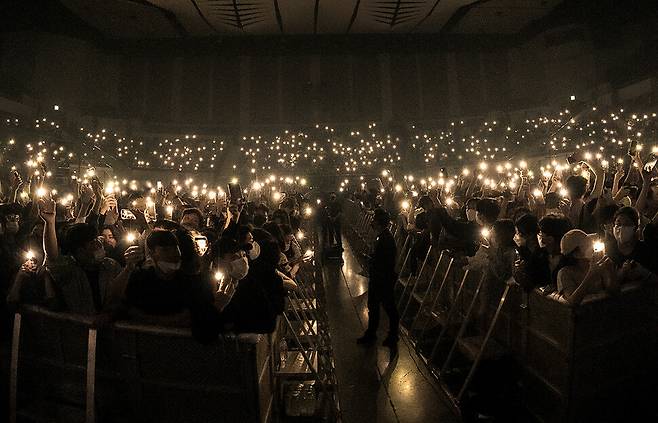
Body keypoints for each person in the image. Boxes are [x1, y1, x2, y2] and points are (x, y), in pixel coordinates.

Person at [123, 230, 221, 343]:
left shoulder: (192, 283)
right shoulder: (140, 279)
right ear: (151, 253)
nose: (172, 255)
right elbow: (126, 309)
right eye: (165, 250)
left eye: (175, 248)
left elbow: (198, 320)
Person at [39, 197, 126, 314]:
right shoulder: (69, 270)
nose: (99, 244)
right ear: (80, 251)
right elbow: (52, 257)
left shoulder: (111, 266)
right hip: (78, 328)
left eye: (97, 240)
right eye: (92, 243)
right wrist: (49, 223)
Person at [357, 208, 399, 348]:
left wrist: (370, 260)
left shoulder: (386, 239)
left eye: (374, 220)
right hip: (378, 277)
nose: (372, 222)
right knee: (373, 306)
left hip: (383, 278)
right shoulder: (382, 236)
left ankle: (393, 335)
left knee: (389, 307)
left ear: (379, 223)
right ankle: (371, 332)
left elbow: (384, 261)